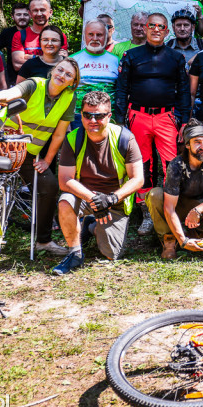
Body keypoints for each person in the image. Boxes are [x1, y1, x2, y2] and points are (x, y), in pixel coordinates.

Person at [0, 58, 80, 255]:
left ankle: (43, 241)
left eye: (68, 75)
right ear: (52, 71)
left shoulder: (70, 97)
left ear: (73, 82)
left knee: (50, 186)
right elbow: (11, 93)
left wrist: (47, 160)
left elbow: (60, 133)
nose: (62, 76)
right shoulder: (34, 84)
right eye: (60, 70)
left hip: (27, 153)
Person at [53, 91, 144, 275]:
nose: (92, 120)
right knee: (64, 201)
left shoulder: (125, 138)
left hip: (114, 200)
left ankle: (91, 225)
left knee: (111, 254)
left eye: (99, 116)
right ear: (82, 115)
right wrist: (94, 199)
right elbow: (64, 180)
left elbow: (138, 179)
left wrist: (110, 199)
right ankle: (75, 253)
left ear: (109, 116)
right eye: (87, 115)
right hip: (85, 196)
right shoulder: (73, 138)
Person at [115, 11, 191, 214]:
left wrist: (184, 121)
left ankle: (169, 208)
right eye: (152, 26)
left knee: (171, 164)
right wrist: (120, 120)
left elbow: (184, 90)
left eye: (161, 27)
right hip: (137, 116)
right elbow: (122, 89)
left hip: (166, 117)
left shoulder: (176, 57)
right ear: (145, 28)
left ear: (167, 31)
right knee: (143, 163)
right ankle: (146, 209)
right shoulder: (132, 55)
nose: (156, 29)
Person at [146, 120, 203, 258]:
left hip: (202, 205)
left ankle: (199, 232)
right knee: (155, 195)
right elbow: (169, 208)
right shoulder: (176, 165)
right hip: (178, 206)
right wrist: (183, 241)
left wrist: (198, 211)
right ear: (187, 145)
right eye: (197, 142)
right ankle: (170, 240)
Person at [69, 20, 120, 128]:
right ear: (84, 36)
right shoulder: (73, 60)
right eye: (91, 34)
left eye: (99, 35)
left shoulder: (116, 60)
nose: (95, 38)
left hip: (108, 119)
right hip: (79, 118)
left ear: (106, 36)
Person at [11, 0, 68, 71]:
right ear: (29, 13)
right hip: (28, 81)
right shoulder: (20, 35)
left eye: (42, 10)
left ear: (50, 12)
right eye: (35, 10)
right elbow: (17, 65)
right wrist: (50, 59)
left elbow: (62, 64)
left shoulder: (60, 36)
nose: (39, 14)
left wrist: (32, 57)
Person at [0, 3, 30, 81]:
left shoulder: (36, 33)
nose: (22, 17)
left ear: (30, 15)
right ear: (12, 17)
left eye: (25, 14)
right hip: (13, 78)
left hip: (34, 76)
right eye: (19, 15)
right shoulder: (7, 33)